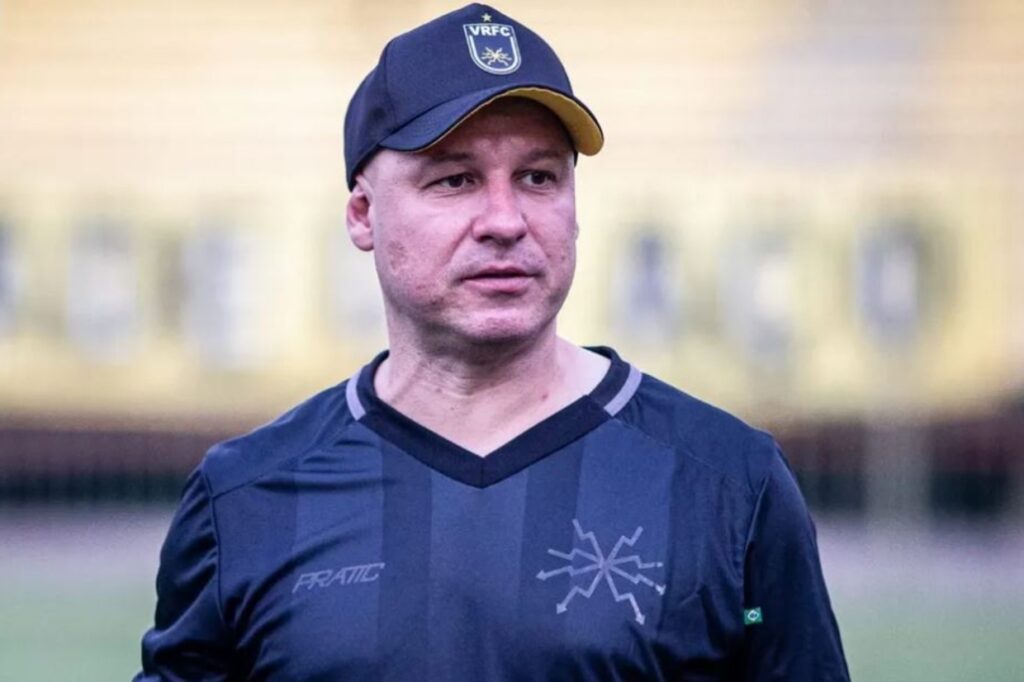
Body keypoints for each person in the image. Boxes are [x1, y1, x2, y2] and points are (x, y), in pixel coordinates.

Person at [136, 4, 849, 680]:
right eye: (455, 180)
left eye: (539, 177)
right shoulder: (245, 499)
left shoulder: (731, 483)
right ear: (362, 214)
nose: (505, 221)